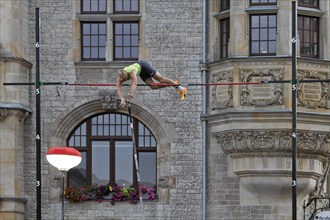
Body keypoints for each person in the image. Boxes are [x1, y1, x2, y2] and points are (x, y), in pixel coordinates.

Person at [117, 60, 187, 108]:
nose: (123, 80)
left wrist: (131, 93)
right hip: (141, 72)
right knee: (153, 86)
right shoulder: (120, 77)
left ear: (126, 75)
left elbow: (134, 83)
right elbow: (119, 88)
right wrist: (122, 99)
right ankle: (172, 84)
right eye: (122, 79)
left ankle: (181, 88)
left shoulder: (132, 72)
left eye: (125, 79)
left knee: (161, 79)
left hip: (143, 66)